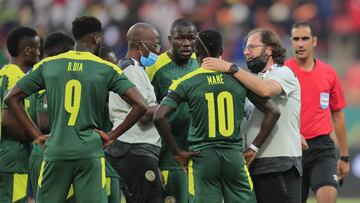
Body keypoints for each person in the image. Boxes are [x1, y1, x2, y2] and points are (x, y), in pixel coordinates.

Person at [4, 16, 146, 203]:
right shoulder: (105, 68)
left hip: (56, 150)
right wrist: (111, 136)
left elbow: (11, 97)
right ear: (96, 38)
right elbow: (141, 104)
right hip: (89, 151)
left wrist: (36, 135)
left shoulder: (48, 65)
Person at [154, 29, 281, 203]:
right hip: (234, 157)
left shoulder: (186, 82)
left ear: (195, 52)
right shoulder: (239, 79)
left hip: (202, 158)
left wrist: (178, 153)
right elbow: (273, 111)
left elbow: (159, 116)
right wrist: (254, 148)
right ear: (221, 51)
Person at [202, 28, 302, 203]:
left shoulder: (283, 73)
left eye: (252, 47)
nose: (247, 52)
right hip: (255, 162)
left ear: (269, 49)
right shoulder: (253, 79)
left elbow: (265, 90)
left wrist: (231, 68)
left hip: (279, 162)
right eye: (245, 48)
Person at [284, 21, 350, 203]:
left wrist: (344, 156)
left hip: (322, 148)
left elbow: (337, 116)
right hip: (291, 148)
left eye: (305, 38)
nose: (300, 43)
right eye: (296, 39)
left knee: (328, 196)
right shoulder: (283, 72)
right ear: (291, 42)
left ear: (314, 41)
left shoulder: (328, 73)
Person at [105, 22, 163, 203]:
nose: (157, 50)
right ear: (140, 44)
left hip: (135, 147)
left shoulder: (134, 68)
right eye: (154, 45)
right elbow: (144, 114)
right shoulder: (131, 70)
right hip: (134, 145)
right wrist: (171, 103)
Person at [146, 18, 198, 203]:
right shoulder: (154, 68)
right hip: (169, 157)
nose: (186, 43)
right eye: (180, 38)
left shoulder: (200, 63)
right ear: (170, 39)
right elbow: (146, 113)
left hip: (199, 154)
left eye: (191, 38)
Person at [28, 31, 75, 202]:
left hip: (52, 151)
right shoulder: (48, 80)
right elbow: (44, 122)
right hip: (48, 151)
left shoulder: (43, 76)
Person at [0, 26, 40, 203]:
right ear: (27, 50)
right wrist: (33, 136)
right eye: (37, 48)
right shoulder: (18, 79)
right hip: (13, 157)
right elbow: (8, 119)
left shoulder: (2, 73)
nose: (39, 53)